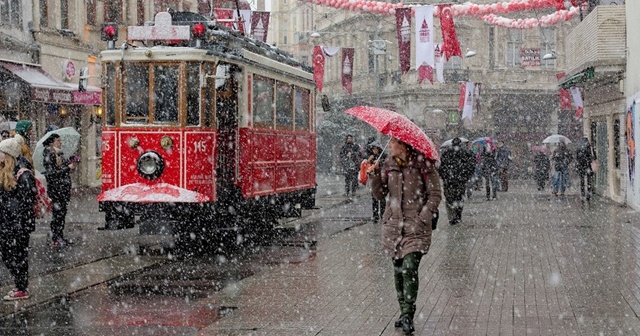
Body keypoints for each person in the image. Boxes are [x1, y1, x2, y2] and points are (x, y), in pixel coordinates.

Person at [368, 138, 442, 335]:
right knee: (398, 269)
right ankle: (403, 311)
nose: (390, 145)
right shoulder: (388, 165)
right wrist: (374, 176)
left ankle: (408, 312)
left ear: (403, 146)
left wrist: (422, 217)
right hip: (394, 225)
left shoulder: (423, 164)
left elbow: (435, 194)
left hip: (415, 227)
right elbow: (379, 194)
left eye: (393, 142)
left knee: (409, 267)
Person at [0, 138, 36, 300]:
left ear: (9, 155)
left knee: (17, 255)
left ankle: (21, 287)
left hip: (18, 225)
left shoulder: (23, 174)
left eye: (1, 153)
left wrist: (19, 223)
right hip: (7, 223)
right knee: (8, 255)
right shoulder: (5, 172)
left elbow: (27, 202)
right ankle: (20, 285)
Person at [43, 134, 75, 248]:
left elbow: (62, 169)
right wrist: (67, 168)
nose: (60, 142)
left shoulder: (59, 154)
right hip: (56, 191)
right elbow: (51, 174)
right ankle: (54, 238)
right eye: (58, 141)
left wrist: (71, 162)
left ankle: (60, 236)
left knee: (62, 214)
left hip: (63, 190)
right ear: (52, 142)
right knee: (57, 215)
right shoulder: (49, 155)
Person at [438, 138, 475, 225]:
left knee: (449, 199)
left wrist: (444, 177)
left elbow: (441, 167)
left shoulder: (446, 153)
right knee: (459, 198)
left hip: (449, 181)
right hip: (460, 181)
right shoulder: (465, 153)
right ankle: (458, 216)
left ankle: (452, 217)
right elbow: (471, 165)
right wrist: (465, 176)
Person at [366, 141, 387, 222]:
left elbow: (385, 167)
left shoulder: (383, 156)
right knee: (374, 198)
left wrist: (379, 165)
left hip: (381, 180)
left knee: (381, 198)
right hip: (373, 180)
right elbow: (367, 169)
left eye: (376, 149)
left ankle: (383, 214)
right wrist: (369, 161)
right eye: (373, 149)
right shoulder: (371, 157)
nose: (374, 150)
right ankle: (375, 216)